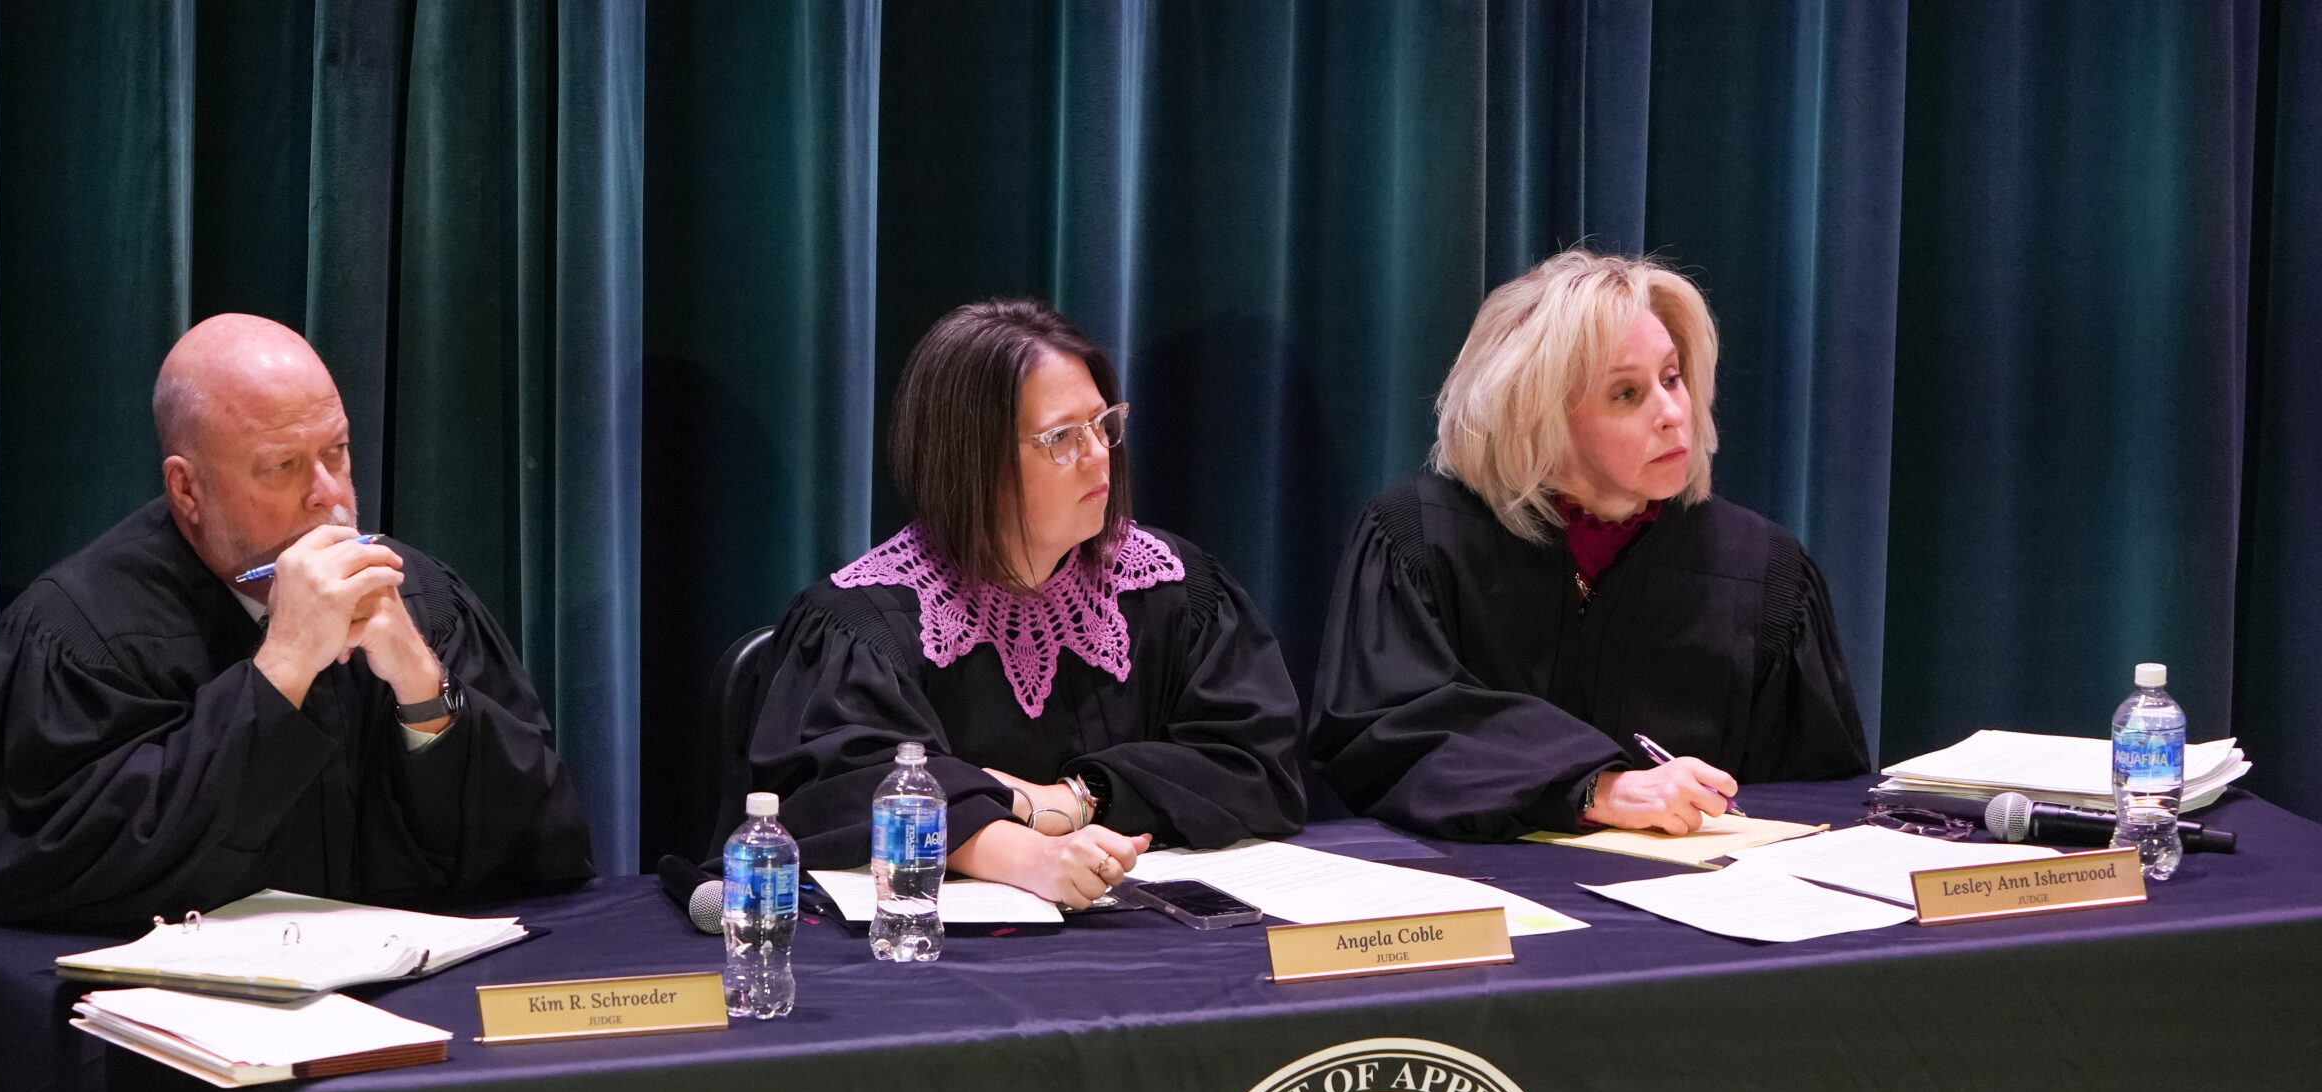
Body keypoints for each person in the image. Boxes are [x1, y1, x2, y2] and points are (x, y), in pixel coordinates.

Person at [0, 313, 593, 928]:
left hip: (413, 1013)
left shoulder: (420, 601)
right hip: (170, 1029)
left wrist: (422, 688)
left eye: (335, 451)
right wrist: (281, 669)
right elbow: (52, 880)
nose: (329, 494)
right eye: (283, 466)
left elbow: (543, 847)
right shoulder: (83, 634)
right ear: (187, 490)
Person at [743, 299, 1304, 905]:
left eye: (1103, 423)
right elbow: (838, 797)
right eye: (1062, 437)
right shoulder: (863, 626)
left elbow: (1255, 768)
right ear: (973, 462)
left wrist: (1075, 798)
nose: (1099, 454)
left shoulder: (1173, 587)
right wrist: (1023, 852)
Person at [1309, 249, 1870, 840]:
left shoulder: (1763, 570)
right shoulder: (1419, 539)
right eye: (1626, 394)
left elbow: (1817, 798)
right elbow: (1381, 738)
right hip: (1479, 899)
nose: (1673, 413)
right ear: (1535, 421)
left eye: (1672, 378)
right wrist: (1594, 787)